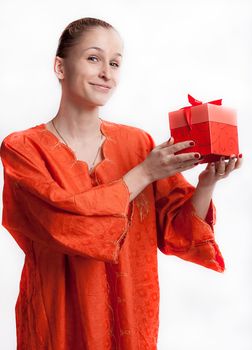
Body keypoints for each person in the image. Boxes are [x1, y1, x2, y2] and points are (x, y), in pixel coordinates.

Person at [0, 17, 242, 350]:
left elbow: (177, 228)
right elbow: (64, 224)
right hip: (57, 318)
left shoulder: (138, 144)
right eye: (93, 58)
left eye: (115, 63)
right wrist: (143, 174)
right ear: (60, 66)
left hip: (130, 316)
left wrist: (206, 184)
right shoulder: (22, 148)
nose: (107, 72)